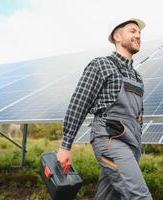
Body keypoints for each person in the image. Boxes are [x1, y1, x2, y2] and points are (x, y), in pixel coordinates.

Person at [57, 18, 153, 200]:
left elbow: (138, 116)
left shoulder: (137, 76)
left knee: (108, 196)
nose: (138, 35)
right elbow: (79, 103)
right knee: (139, 195)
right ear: (117, 36)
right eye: (133, 31)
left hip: (132, 143)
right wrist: (65, 146)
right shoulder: (101, 65)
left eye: (140, 33)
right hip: (110, 138)